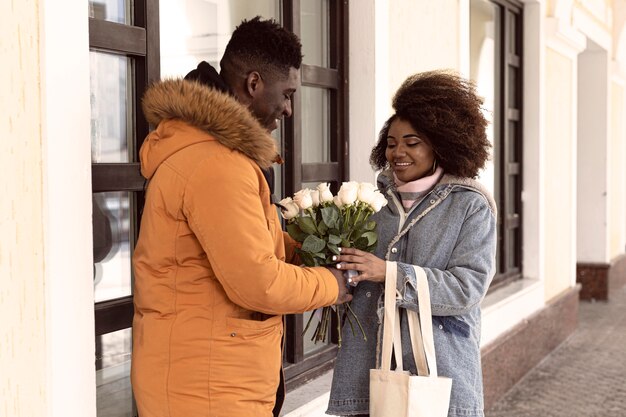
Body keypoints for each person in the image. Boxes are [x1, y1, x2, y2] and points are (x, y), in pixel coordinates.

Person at [131, 17, 351, 417]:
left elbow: (249, 243)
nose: (288, 108)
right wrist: (335, 283)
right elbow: (259, 283)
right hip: (206, 388)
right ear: (253, 84)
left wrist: (311, 249)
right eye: (286, 94)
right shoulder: (217, 164)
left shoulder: (220, 154)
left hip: (211, 375)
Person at [327, 70, 497, 417]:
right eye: (391, 143)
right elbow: (356, 278)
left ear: (439, 144)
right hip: (368, 367)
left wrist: (389, 273)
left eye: (412, 142)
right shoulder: (372, 203)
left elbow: (467, 288)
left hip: (437, 375)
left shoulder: (470, 205)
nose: (398, 152)